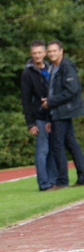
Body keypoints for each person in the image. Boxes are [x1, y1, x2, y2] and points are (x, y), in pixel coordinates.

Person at [41, 40, 84, 189]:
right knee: (71, 143)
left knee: (57, 145)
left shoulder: (66, 67)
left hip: (64, 111)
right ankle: (82, 177)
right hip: (57, 112)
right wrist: (49, 114)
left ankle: (62, 181)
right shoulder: (53, 68)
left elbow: (71, 90)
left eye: (54, 51)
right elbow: (54, 91)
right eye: (50, 51)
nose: (52, 54)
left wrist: (51, 102)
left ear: (61, 51)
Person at [21, 40, 57, 191]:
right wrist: (31, 123)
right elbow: (26, 99)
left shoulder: (51, 68)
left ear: (44, 53)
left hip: (54, 115)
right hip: (39, 117)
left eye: (39, 53)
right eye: (34, 53)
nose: (37, 55)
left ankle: (53, 180)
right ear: (31, 54)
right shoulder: (27, 73)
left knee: (53, 149)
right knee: (42, 150)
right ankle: (43, 183)